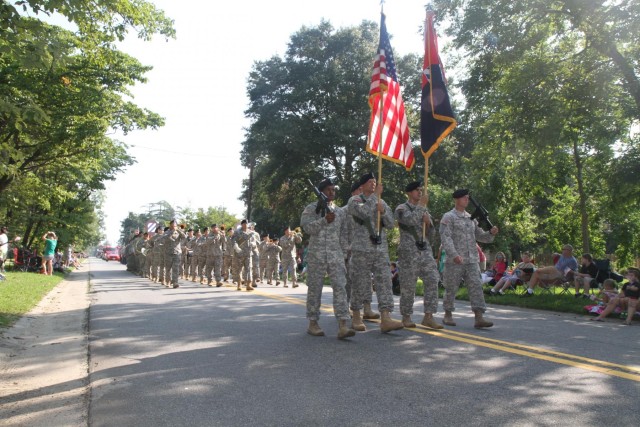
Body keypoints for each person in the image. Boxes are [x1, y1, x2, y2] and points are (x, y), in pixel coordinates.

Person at [347, 172, 403, 333]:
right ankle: (357, 315)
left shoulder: (381, 202)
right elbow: (362, 212)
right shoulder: (355, 200)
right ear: (362, 186)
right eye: (370, 182)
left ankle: (386, 317)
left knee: (385, 281)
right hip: (361, 249)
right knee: (360, 283)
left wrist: (383, 212)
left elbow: (391, 224)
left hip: (380, 249)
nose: (373, 184)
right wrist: (375, 197)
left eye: (375, 182)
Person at [301, 177, 355, 339]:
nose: (332, 192)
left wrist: (344, 253)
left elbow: (344, 234)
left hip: (336, 255)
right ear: (322, 192)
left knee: (340, 287)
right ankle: (313, 322)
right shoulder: (312, 209)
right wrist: (324, 221)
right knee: (315, 288)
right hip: (317, 255)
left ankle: (343, 325)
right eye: (329, 190)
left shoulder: (340, 211)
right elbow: (307, 228)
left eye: (334, 190)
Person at [439, 189, 499, 328]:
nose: (467, 200)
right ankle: (448, 315)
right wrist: (454, 255)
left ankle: (479, 317)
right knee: (451, 288)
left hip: (472, 259)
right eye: (464, 198)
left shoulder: (470, 218)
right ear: (457, 200)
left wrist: (491, 233)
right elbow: (445, 238)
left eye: (467, 197)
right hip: (455, 260)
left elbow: (481, 236)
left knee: (476, 287)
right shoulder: (449, 217)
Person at [394, 180, 443, 329]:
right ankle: (406, 316)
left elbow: (432, 236)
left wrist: (428, 224)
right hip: (409, 252)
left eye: (421, 190)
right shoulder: (401, 208)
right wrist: (421, 206)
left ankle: (429, 315)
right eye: (417, 190)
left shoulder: (425, 210)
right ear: (409, 193)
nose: (420, 192)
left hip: (425, 250)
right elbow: (409, 221)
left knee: (433, 279)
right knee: (409, 284)